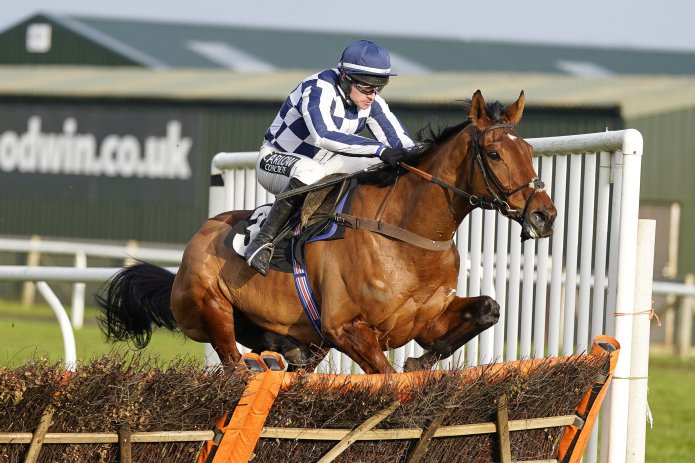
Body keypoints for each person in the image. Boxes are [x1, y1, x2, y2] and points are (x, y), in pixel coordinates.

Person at [245, 39, 418, 276]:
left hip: (325, 163)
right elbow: (323, 135)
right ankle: (262, 241)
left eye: (378, 87)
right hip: (275, 159)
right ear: (345, 77)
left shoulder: (371, 101)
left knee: (381, 165)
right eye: (366, 87)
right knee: (311, 172)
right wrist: (380, 149)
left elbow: (402, 143)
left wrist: (423, 154)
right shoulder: (317, 88)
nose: (372, 95)